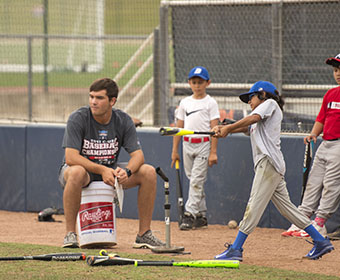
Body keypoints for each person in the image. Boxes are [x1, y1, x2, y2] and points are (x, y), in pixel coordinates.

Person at [212, 81, 334, 261]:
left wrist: (228, 128)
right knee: (289, 210)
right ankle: (320, 241)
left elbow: (252, 119)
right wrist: (226, 128)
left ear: (262, 95)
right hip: (271, 165)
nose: (249, 102)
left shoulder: (269, 104)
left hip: (268, 163)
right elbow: (247, 127)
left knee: (253, 206)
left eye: (251, 97)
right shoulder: (261, 116)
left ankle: (236, 249)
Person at [58, 77, 165, 249]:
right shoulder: (78, 118)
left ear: (112, 101)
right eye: (91, 97)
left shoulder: (123, 120)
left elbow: (138, 156)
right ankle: (70, 234)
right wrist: (102, 170)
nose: (93, 102)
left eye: (99, 98)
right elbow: (71, 157)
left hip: (108, 173)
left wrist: (127, 172)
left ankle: (144, 234)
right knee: (77, 171)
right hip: (81, 172)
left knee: (148, 172)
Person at [282, 53, 340, 239]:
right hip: (325, 143)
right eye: (335, 70)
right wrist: (314, 133)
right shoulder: (330, 94)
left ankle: (320, 223)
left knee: (331, 185)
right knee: (313, 183)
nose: (337, 73)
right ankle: (302, 219)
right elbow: (321, 118)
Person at [171, 66, 220, 230]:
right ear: (189, 83)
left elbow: (215, 128)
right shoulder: (185, 102)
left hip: (204, 143)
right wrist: (174, 151)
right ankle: (201, 215)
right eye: (194, 82)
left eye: (200, 82)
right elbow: (179, 127)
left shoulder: (210, 102)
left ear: (208, 83)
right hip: (187, 144)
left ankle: (189, 214)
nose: (197, 85)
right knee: (194, 180)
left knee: (197, 181)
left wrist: (213, 152)